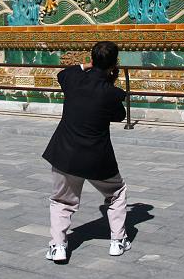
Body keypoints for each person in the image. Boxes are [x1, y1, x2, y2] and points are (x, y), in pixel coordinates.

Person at [42, 41, 130, 263]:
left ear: (92, 59)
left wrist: (88, 65)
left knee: (62, 201)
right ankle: (117, 241)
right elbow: (119, 115)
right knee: (116, 193)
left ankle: (58, 246)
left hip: (65, 153)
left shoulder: (73, 80)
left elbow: (64, 73)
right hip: (96, 157)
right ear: (113, 64)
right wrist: (109, 78)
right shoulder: (111, 92)